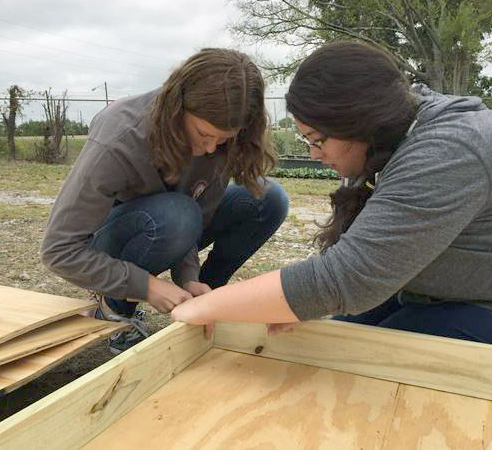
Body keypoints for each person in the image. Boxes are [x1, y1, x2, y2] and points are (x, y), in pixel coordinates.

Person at [171, 41, 492, 344]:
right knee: (331, 348)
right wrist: (298, 302)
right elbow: (354, 256)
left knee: (365, 370)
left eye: (317, 140)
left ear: (359, 123)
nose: (313, 154)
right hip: (423, 293)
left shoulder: (447, 152)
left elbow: (349, 278)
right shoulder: (393, 132)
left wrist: (207, 306)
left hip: (476, 304)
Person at [41, 48, 289, 354]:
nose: (211, 149)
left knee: (267, 198)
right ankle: (114, 307)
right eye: (203, 134)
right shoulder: (119, 136)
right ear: (178, 107)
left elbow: (196, 217)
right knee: (176, 214)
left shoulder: (221, 142)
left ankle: (200, 302)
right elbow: (58, 250)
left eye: (223, 140)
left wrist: (188, 278)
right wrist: (146, 286)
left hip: (174, 220)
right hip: (112, 241)